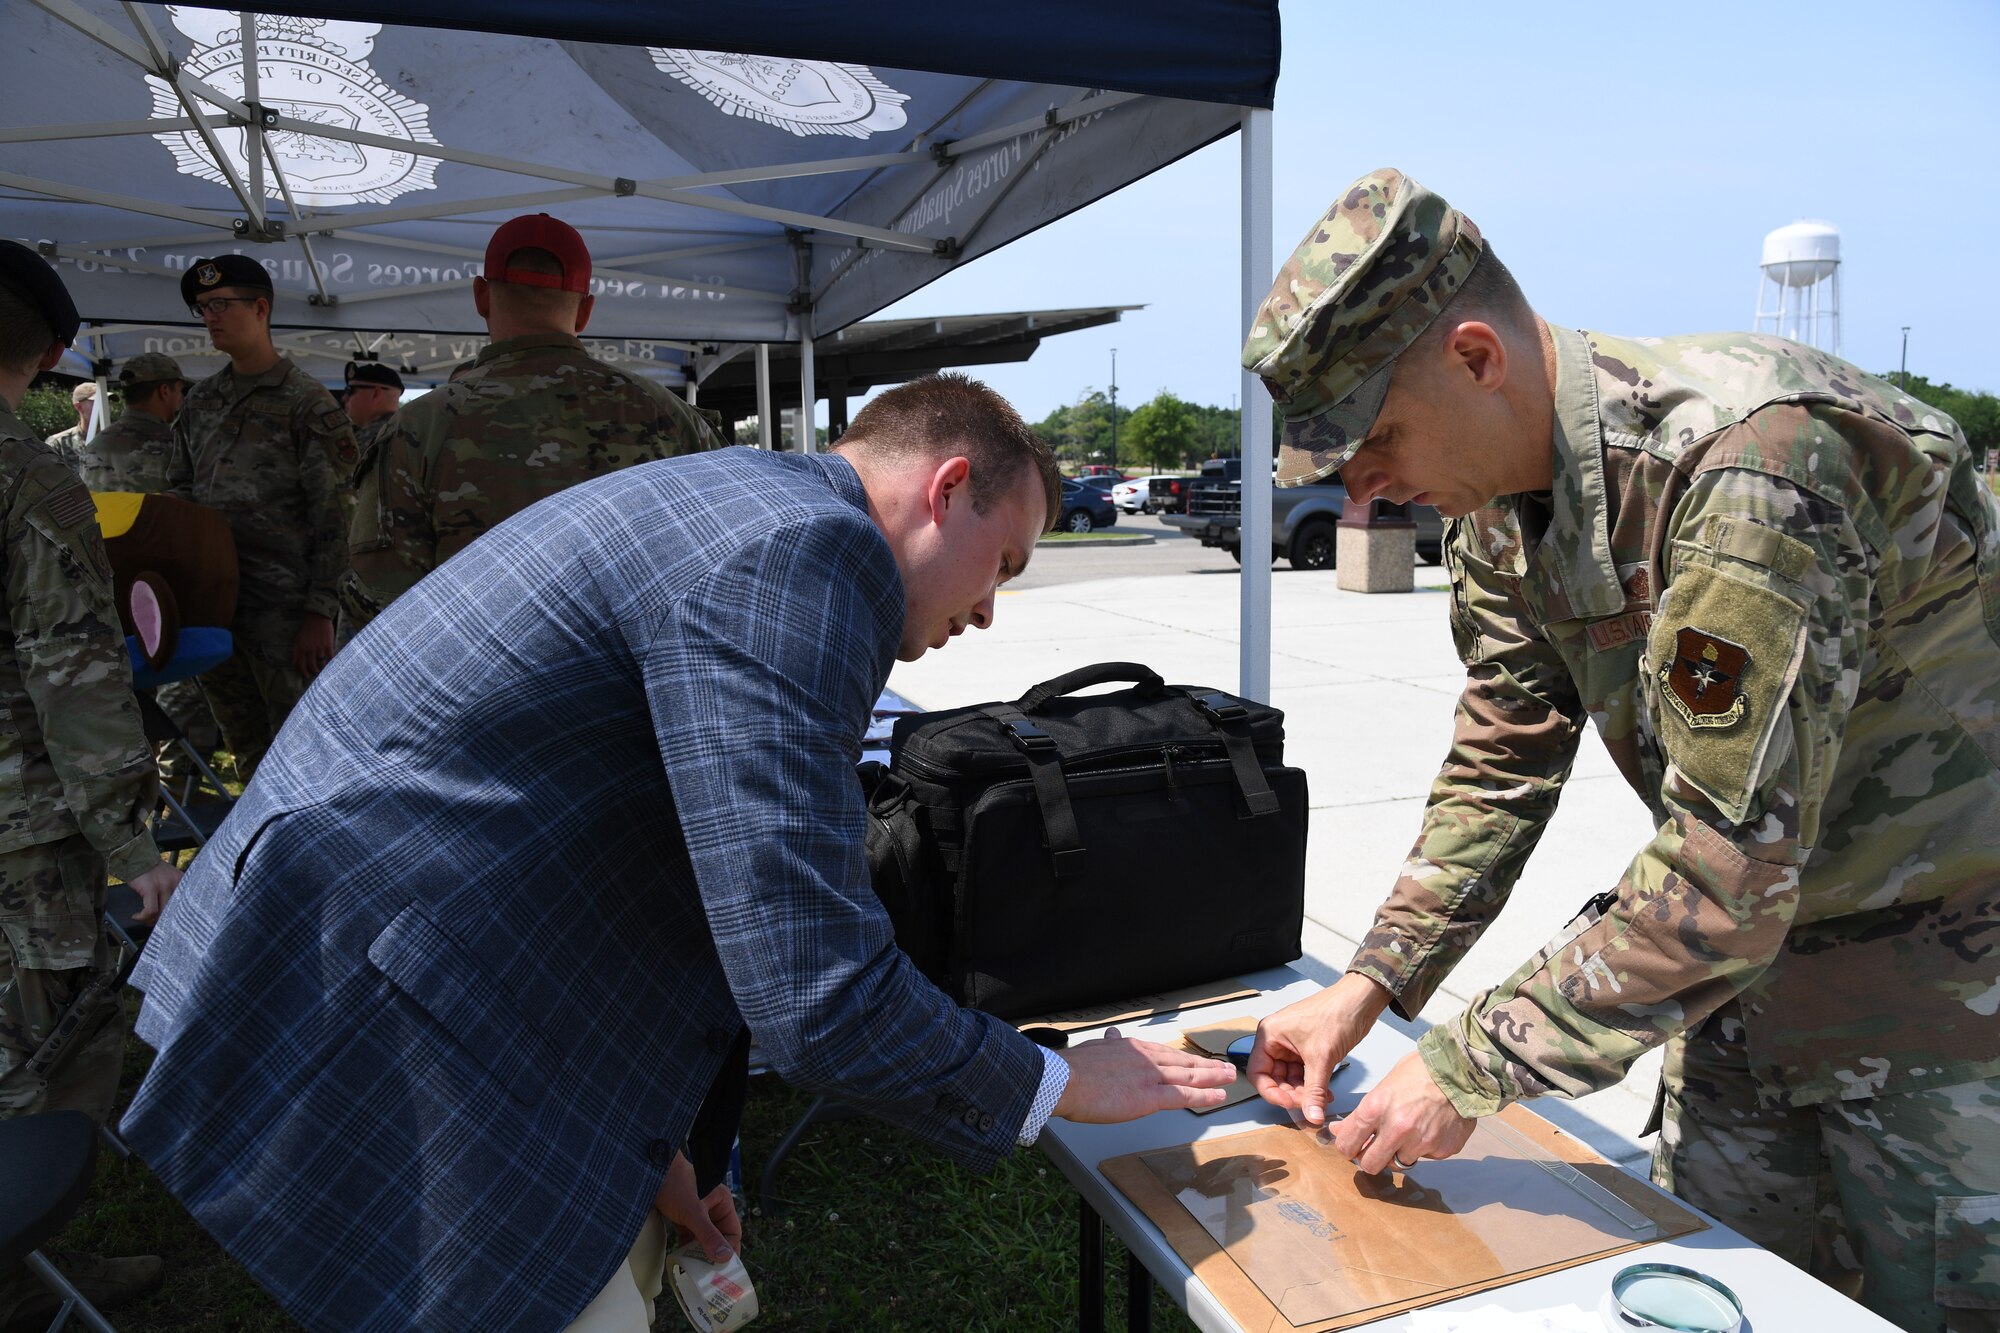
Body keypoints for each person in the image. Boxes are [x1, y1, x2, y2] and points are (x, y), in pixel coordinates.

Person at [121, 372, 1236, 1332]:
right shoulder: (812, 551)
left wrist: (649, 1148)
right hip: (385, 995)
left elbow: (660, 855)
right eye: (1005, 562)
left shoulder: (747, 503)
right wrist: (1053, 1076)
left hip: (416, 953)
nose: (990, 611)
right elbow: (816, 990)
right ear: (946, 490)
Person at [1241, 169, 2000, 1331]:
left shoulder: (1751, 467)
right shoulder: (1494, 509)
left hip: (1941, 1012)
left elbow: (1721, 871)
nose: (1364, 486)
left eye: (1375, 435)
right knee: (1709, 1303)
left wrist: (1468, 1063)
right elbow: (1499, 762)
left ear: (1477, 358)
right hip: (1740, 993)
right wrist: (1369, 984)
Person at [0, 242, 184, 1324]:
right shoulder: (30, 481)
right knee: (40, 1060)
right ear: (59, 352)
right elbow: (73, 673)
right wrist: (132, 847)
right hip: (23, 837)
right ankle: (25, 1277)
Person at [338, 212, 720, 636]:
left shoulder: (419, 427)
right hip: (636, 693)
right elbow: (722, 581)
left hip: (480, 693)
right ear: (586, 310)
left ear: (481, 296)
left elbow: (377, 607)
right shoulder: (674, 418)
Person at [167, 254, 353, 780]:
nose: (210, 318)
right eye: (202, 308)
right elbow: (179, 493)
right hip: (214, 604)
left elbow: (336, 514)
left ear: (262, 307)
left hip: (286, 612)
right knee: (246, 752)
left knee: (302, 752)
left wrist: (321, 611)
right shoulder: (200, 403)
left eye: (221, 305)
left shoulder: (307, 405)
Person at [77, 352, 187, 494]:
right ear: (164, 391)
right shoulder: (175, 446)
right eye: (180, 390)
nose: (182, 398)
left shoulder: (93, 445)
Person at [43, 379, 93, 472]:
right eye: (97, 402)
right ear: (79, 407)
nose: (105, 407)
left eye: (107, 402)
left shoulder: (118, 440)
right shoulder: (58, 443)